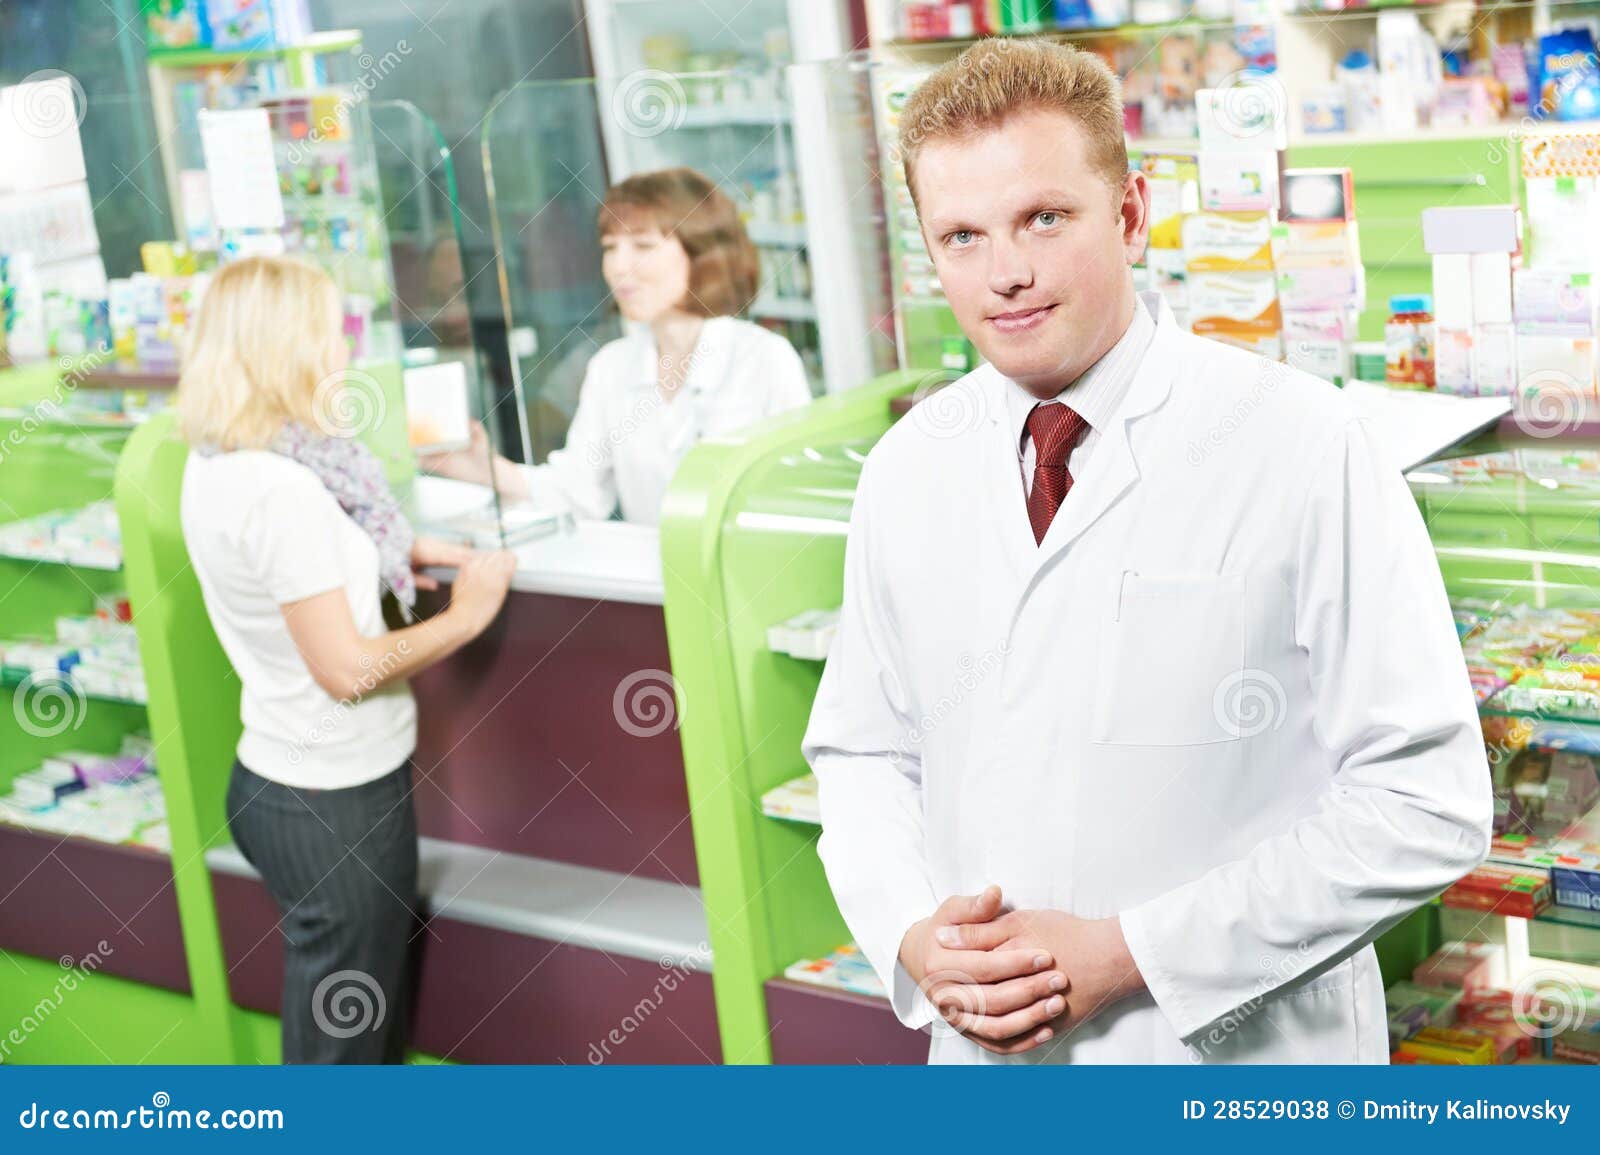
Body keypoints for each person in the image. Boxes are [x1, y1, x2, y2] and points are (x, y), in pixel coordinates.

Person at [800, 40, 1492, 1065]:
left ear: (1127, 215)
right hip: (992, 1060)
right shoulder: (907, 468)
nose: (1007, 273)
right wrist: (917, 937)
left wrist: (1130, 953)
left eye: (1044, 217)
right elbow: (864, 751)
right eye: (961, 235)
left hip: (1234, 1061)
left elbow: (1422, 805)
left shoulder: (1297, 440)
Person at [175, 256, 516, 1063]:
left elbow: (307, 560)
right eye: (331, 333)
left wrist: (408, 546)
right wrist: (467, 616)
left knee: (352, 1029)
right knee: (343, 1052)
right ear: (284, 348)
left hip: (280, 783)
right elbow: (347, 668)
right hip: (334, 804)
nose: (344, 353)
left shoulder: (222, 459)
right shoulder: (280, 490)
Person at [422, 167, 812, 525]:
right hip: (654, 588)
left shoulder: (763, 359)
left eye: (642, 246)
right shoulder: (612, 367)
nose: (619, 266)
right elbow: (580, 491)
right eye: (610, 247)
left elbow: (800, 500)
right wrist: (486, 469)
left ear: (702, 256)